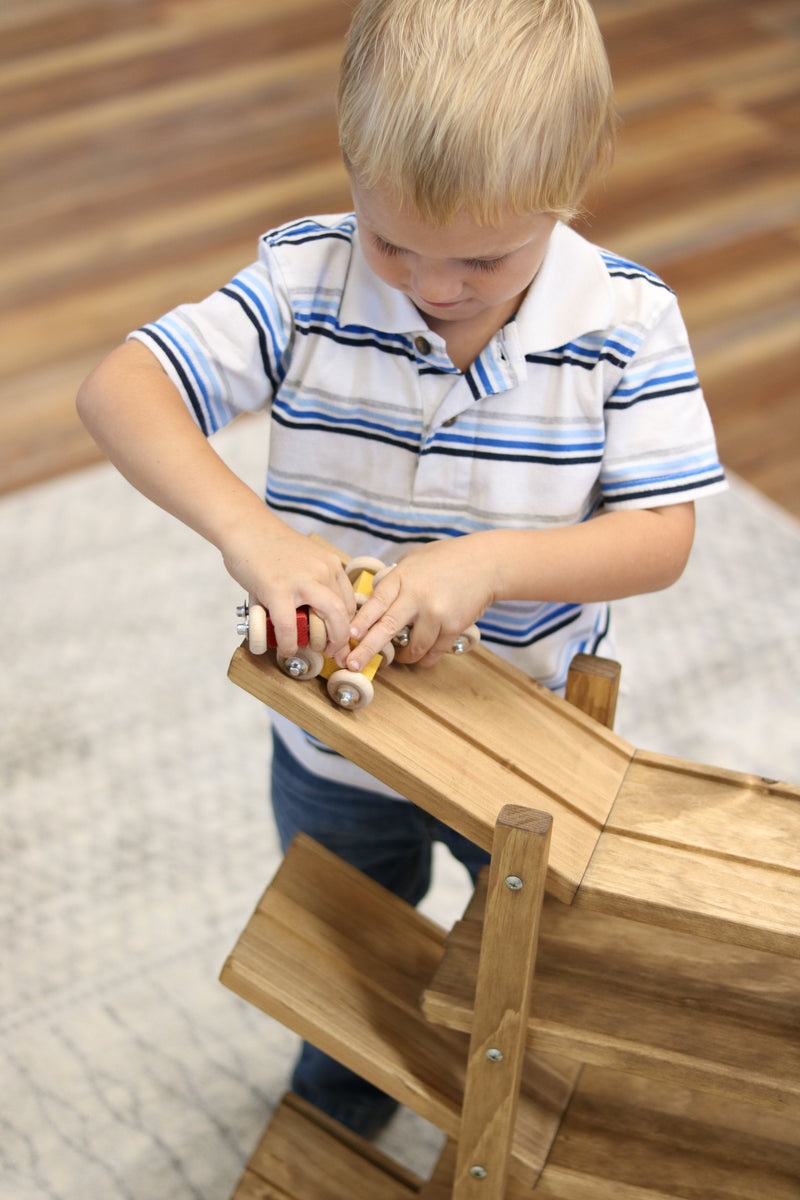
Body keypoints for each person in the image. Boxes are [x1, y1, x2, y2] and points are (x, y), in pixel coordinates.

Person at [77, 0, 726, 1138]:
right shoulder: (307, 278)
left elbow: (661, 536)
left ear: (572, 186)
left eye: (482, 258)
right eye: (394, 246)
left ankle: (514, 1109)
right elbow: (117, 390)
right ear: (351, 167)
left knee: (530, 966)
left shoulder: (627, 323)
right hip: (332, 746)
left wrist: (493, 564)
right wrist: (251, 531)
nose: (433, 287)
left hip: (521, 744)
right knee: (342, 943)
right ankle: (339, 1101)